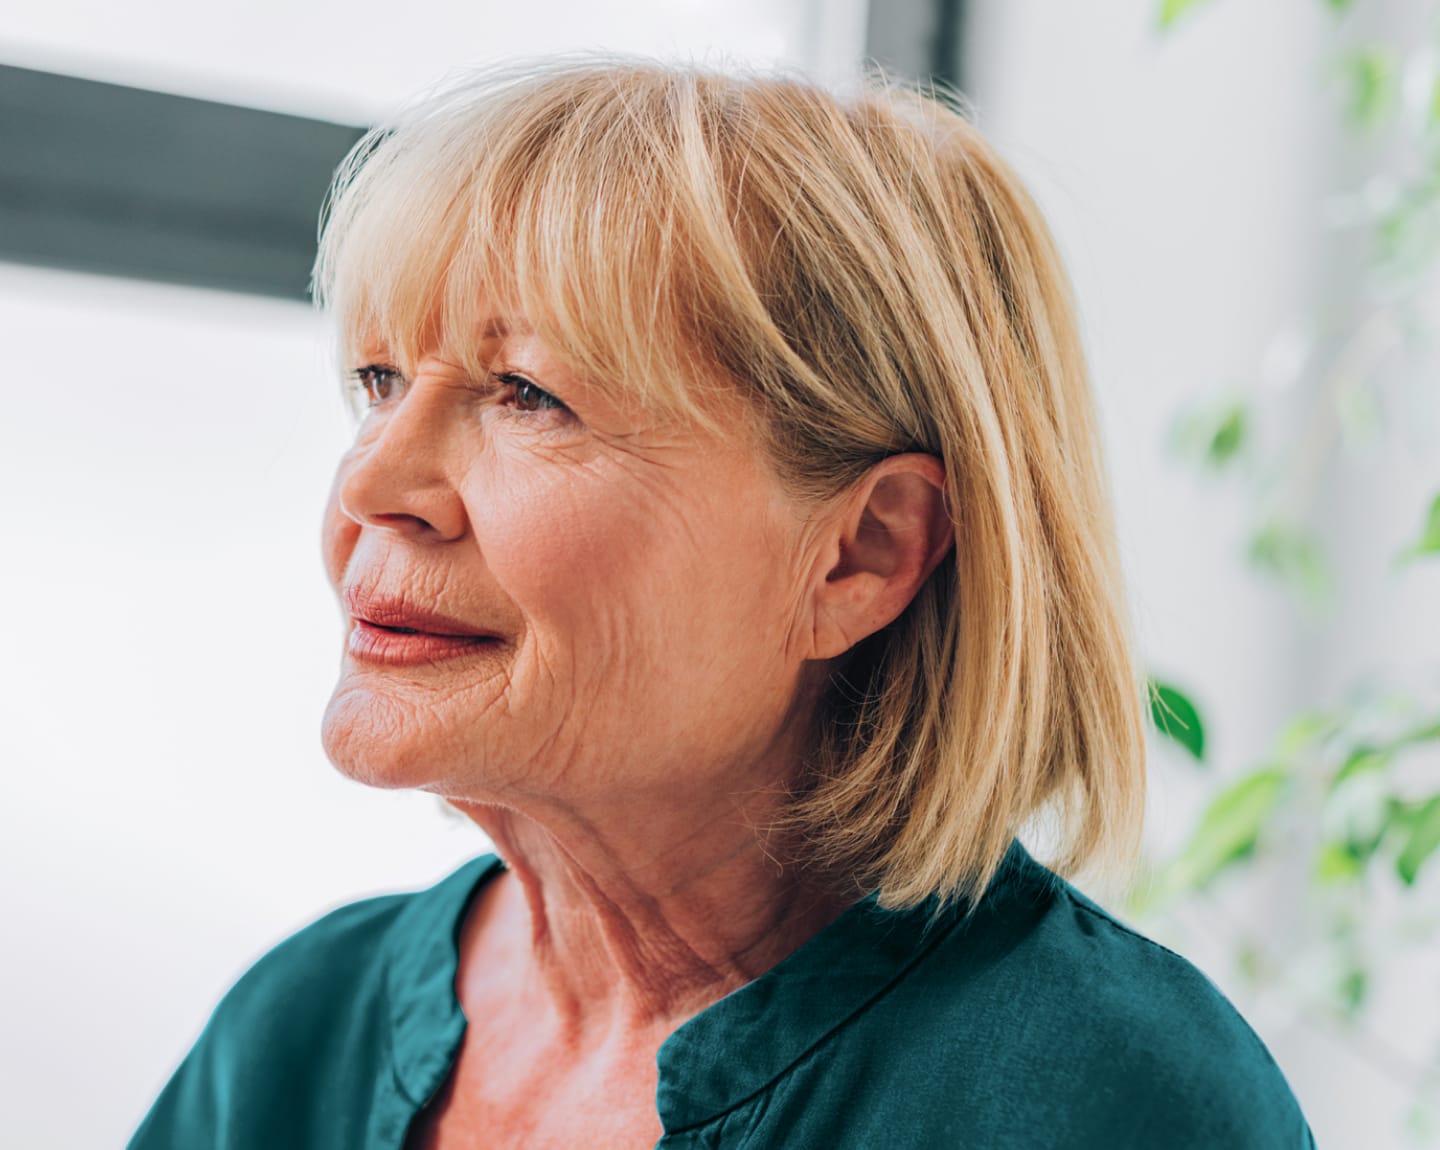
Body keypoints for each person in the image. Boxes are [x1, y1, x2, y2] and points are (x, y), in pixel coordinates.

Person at [128, 59, 1315, 1149]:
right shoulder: (299, 1030)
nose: (371, 483)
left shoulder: (1106, 1100)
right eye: (380, 380)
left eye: (528, 393)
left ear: (862, 552)